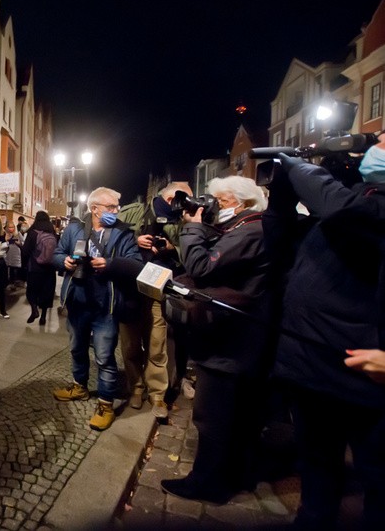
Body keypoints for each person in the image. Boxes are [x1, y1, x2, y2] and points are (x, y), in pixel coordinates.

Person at [264, 141, 385, 530]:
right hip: (314, 367)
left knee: (378, 478)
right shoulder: (355, 199)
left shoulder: (361, 209)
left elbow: (342, 209)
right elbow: (280, 247)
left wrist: (298, 166)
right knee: (316, 466)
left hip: (368, 377)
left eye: (384, 140)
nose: (376, 143)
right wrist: (280, 197)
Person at [160, 176, 270, 505]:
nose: (215, 208)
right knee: (236, 417)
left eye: (221, 202)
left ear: (244, 203)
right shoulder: (249, 229)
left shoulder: (251, 231)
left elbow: (202, 266)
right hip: (238, 338)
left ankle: (207, 484)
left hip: (230, 343)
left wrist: (192, 227)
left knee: (212, 417)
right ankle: (236, 475)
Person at [51, 187, 141, 431]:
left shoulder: (122, 233)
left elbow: (136, 264)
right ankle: (79, 387)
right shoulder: (74, 229)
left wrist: (110, 264)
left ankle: (105, 403)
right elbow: (57, 254)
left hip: (106, 307)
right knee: (77, 349)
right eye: (111, 207)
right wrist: (65, 261)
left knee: (104, 357)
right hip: (78, 302)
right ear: (95, 208)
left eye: (116, 207)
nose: (116, 211)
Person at [116, 181, 192, 418]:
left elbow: (192, 253)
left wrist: (172, 248)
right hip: (131, 285)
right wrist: (135, 239)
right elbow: (112, 241)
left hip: (160, 286)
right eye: (185, 199)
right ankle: (136, 387)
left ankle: (157, 393)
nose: (188, 204)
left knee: (157, 341)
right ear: (171, 198)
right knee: (129, 341)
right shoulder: (132, 212)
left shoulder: (184, 220)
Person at [21, 211, 58, 325]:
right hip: (50, 269)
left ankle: (34, 310)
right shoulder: (53, 233)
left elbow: (25, 251)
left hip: (35, 268)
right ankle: (43, 317)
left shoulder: (33, 233)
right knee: (46, 293)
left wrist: (24, 264)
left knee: (32, 291)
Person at [4, 220, 23, 287]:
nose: (11, 229)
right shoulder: (5, 234)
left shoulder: (18, 234)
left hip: (16, 253)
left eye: (12, 227)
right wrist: (6, 240)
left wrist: (18, 243)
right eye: (9, 227)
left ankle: (14, 282)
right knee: (8, 268)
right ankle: (9, 282)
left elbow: (23, 243)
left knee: (15, 269)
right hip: (8, 253)